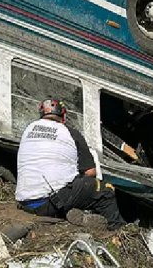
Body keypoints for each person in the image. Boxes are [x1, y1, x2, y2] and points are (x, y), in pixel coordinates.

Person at [15, 98, 126, 230]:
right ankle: (118, 232)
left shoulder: (28, 130)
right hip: (49, 204)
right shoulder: (70, 133)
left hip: (25, 203)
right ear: (64, 116)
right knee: (104, 190)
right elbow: (90, 172)